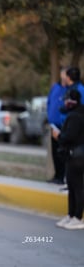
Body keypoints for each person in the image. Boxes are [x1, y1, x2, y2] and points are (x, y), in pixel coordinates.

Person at [53, 89, 84, 230]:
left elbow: (69, 137)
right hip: (74, 156)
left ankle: (78, 217)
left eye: (66, 100)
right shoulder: (75, 114)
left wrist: (58, 136)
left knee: (77, 187)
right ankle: (71, 215)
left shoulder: (75, 116)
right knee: (71, 186)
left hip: (77, 156)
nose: (64, 103)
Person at [46, 67, 68, 184]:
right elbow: (49, 102)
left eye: (65, 74)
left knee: (62, 151)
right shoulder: (56, 87)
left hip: (64, 125)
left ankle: (62, 176)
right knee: (54, 151)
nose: (63, 77)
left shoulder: (70, 90)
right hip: (54, 125)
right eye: (62, 74)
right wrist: (49, 116)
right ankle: (57, 175)